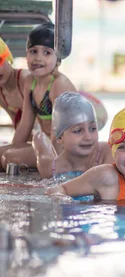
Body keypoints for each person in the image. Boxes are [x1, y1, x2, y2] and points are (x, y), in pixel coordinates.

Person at [1, 23, 77, 169]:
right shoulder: (30, 82)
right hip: (47, 145)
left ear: (58, 59)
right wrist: (14, 147)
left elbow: (60, 132)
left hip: (66, 150)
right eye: (33, 51)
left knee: (9, 159)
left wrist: (53, 164)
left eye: (47, 52)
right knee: (5, 155)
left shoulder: (58, 84)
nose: (38, 58)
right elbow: (25, 124)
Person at [33, 92, 112, 179]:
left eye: (92, 129)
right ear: (59, 137)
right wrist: (39, 141)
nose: (88, 137)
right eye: (78, 131)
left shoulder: (106, 153)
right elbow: (41, 147)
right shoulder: (50, 169)